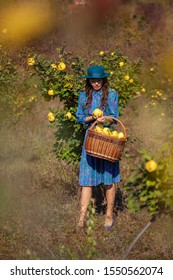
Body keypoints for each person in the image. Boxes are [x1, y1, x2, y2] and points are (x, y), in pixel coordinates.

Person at [76, 65, 120, 229]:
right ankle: (81, 218)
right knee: (86, 179)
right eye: (93, 80)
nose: (96, 83)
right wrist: (91, 118)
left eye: (99, 80)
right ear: (89, 81)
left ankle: (109, 216)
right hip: (91, 139)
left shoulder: (112, 95)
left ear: (104, 79)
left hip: (107, 139)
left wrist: (105, 119)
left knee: (109, 178)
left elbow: (114, 117)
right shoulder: (83, 96)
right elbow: (80, 116)